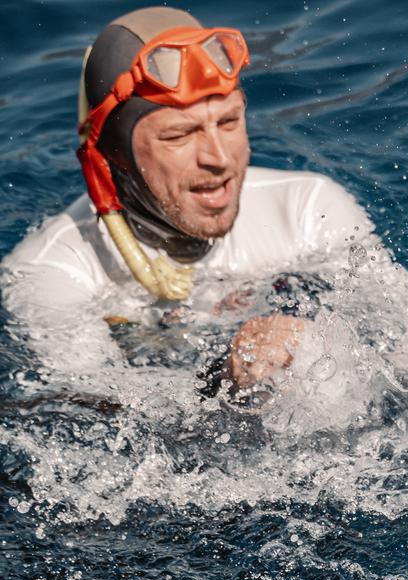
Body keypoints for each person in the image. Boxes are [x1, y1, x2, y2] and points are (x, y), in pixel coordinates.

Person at [0, 7, 375, 390]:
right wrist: (226, 374)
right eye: (179, 135)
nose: (219, 158)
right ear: (114, 151)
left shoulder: (307, 209)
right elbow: (100, 410)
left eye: (229, 122)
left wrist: (304, 330)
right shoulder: (53, 272)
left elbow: (400, 344)